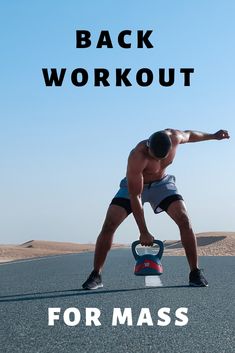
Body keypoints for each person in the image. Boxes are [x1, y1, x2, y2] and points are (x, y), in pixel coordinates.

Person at [82, 129, 230, 289]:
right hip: (134, 187)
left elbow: (191, 135)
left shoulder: (175, 137)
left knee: (184, 219)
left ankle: (195, 272)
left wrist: (213, 136)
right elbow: (135, 197)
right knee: (109, 223)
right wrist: (143, 231)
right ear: (148, 147)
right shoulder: (137, 156)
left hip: (162, 184)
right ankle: (96, 274)